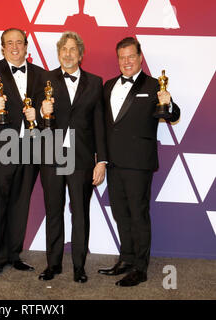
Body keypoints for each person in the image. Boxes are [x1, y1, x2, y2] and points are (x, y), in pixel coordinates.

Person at [98, 37, 180, 286]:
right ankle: (126, 259)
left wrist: (169, 103)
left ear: (140, 57)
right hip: (113, 162)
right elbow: (103, 124)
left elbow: (173, 114)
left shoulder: (155, 85)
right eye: (122, 57)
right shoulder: (108, 85)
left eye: (131, 56)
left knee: (138, 215)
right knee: (121, 214)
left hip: (138, 163)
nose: (126, 61)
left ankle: (140, 268)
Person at [0, 28, 45, 280]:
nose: (14, 47)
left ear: (27, 46)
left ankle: (14, 255)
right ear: (2, 47)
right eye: (9, 43)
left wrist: (38, 113)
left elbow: (49, 111)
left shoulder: (41, 75)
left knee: (20, 203)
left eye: (19, 42)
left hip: (29, 150)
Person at [38, 31, 107, 283]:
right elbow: (32, 116)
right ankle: (53, 264)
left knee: (80, 213)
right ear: (59, 53)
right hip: (51, 156)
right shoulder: (44, 79)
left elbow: (99, 123)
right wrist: (39, 111)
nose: (67, 54)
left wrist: (102, 160)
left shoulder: (95, 82)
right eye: (63, 50)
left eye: (72, 49)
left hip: (82, 158)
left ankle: (79, 266)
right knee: (53, 211)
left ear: (80, 54)